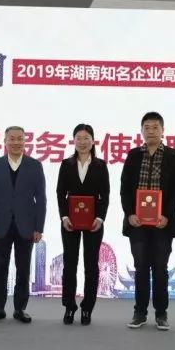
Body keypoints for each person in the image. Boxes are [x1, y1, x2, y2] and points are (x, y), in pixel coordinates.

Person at [120, 112, 175, 331]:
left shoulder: (173, 155)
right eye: (146, 127)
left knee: (160, 268)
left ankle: (161, 313)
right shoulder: (133, 155)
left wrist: (166, 215)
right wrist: (130, 214)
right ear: (141, 131)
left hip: (162, 223)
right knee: (140, 267)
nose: (151, 131)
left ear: (163, 131)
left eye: (155, 127)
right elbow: (125, 188)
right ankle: (139, 312)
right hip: (137, 222)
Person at [0, 126, 46, 324]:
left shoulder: (35, 166)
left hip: (26, 226)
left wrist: (39, 228)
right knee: (0, 269)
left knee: (23, 269)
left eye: (20, 139)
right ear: (5, 141)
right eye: (12, 138)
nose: (16, 142)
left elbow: (41, 199)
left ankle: (20, 309)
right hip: (0, 225)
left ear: (25, 142)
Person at [55, 124, 110, 326]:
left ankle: (87, 308)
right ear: (73, 141)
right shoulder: (66, 164)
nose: (82, 142)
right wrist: (63, 216)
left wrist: (100, 218)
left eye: (86, 138)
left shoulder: (100, 165)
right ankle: (69, 306)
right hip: (70, 221)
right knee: (69, 264)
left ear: (93, 141)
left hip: (93, 222)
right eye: (78, 138)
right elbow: (60, 193)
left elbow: (105, 194)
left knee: (91, 265)